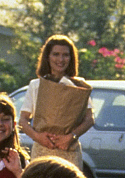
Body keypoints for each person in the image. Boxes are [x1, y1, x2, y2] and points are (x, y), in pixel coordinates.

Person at [18, 34, 94, 168]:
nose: (61, 59)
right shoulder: (36, 85)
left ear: (71, 58)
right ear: (48, 57)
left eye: (65, 55)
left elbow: (89, 119)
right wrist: (38, 137)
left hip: (69, 151)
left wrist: (71, 137)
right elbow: (23, 120)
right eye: (56, 54)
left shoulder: (78, 86)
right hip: (43, 150)